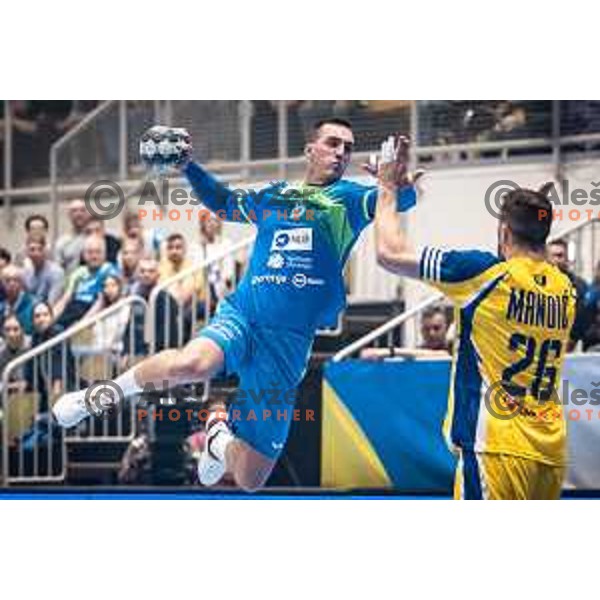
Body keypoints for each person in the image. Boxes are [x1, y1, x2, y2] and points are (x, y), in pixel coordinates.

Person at [53, 119, 417, 492]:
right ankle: (97, 396)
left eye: (347, 148)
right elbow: (223, 202)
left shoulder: (351, 199)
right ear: (310, 149)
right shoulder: (273, 195)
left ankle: (217, 439)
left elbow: (402, 200)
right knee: (192, 364)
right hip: (244, 316)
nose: (341, 152)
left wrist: (396, 185)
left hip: (287, 346)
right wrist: (188, 166)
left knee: (249, 478)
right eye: (332, 143)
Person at [373, 134, 576, 500]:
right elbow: (525, 251)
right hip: (548, 452)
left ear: (503, 231)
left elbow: (388, 252)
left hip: (495, 446)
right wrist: (531, 210)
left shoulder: (483, 273)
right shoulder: (565, 290)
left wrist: (387, 188)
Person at [53, 235, 119, 329]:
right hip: (73, 309)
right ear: (83, 254)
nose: (94, 256)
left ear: (105, 254)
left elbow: (101, 301)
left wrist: (80, 325)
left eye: (98, 252)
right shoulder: (78, 272)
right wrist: (50, 319)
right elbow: (65, 299)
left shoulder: (109, 270)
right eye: (90, 252)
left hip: (93, 313)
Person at [360, 304, 451, 360]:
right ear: (421, 330)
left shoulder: (454, 347)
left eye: (436, 328)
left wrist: (388, 352)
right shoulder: (417, 351)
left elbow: (441, 355)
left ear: (446, 328)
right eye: (427, 329)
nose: (431, 333)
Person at [546, 238, 589, 349]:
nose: (556, 260)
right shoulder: (537, 283)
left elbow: (583, 315)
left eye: (560, 255)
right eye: (552, 255)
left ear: (566, 258)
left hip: (570, 345)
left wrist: (572, 339)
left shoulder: (579, 285)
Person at [22, 233, 65, 305]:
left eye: (40, 249)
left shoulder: (56, 272)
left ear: (45, 250)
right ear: (27, 252)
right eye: (32, 249)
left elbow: (52, 303)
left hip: (47, 312)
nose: (36, 253)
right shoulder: (26, 273)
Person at [54, 198, 92, 275]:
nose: (79, 214)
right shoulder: (61, 243)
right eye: (74, 211)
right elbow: (58, 272)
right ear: (68, 215)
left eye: (82, 210)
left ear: (88, 214)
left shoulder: (98, 238)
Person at [0, 265, 35, 335]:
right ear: (1, 283)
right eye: (7, 280)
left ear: (22, 282)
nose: (12, 284)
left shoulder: (33, 303)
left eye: (16, 280)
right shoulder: (2, 307)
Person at [0, 315, 31, 393]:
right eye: (7, 330)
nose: (11, 334)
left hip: (31, 392)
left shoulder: (32, 345)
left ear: (22, 330)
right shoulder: (1, 349)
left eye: (16, 329)